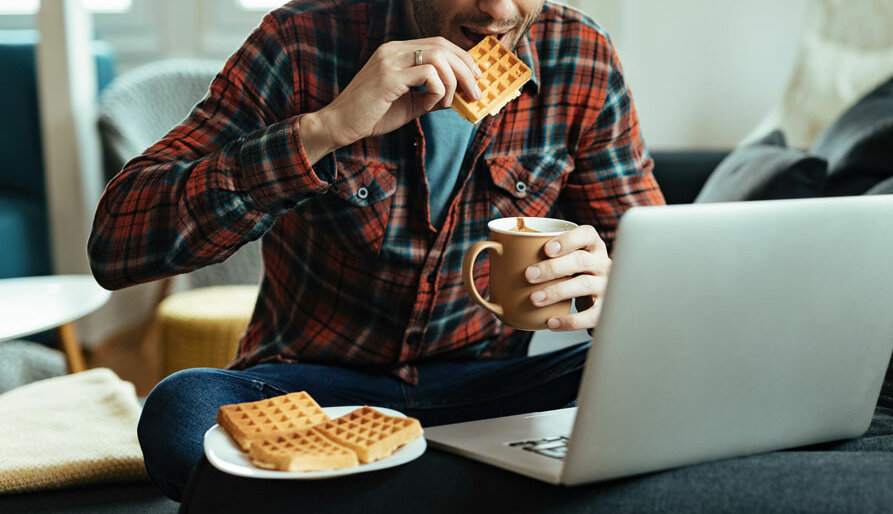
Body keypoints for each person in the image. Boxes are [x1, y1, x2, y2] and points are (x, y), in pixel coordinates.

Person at [87, 0, 664, 501]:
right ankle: (457, 490)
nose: (497, 10)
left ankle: (360, 493)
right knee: (180, 413)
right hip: (313, 394)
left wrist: (612, 286)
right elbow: (116, 245)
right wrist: (325, 130)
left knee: (655, 392)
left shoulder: (579, 56)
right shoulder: (301, 42)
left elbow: (657, 278)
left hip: (490, 391)